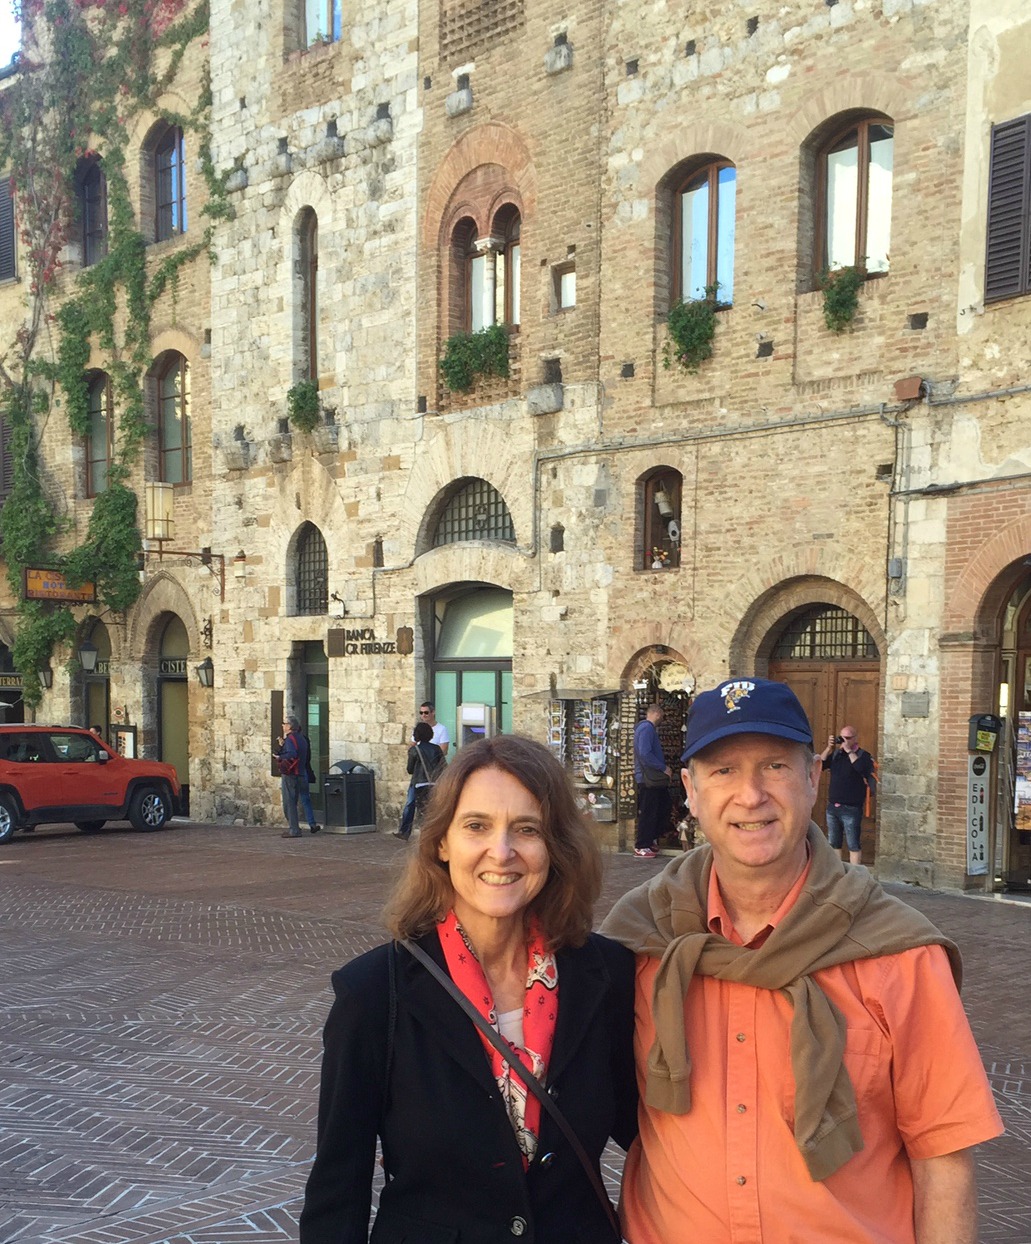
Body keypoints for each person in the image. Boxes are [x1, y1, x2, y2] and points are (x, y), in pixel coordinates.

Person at [603, 677, 1004, 1244]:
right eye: (723, 771)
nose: (750, 795)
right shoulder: (637, 940)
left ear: (813, 778)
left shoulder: (898, 952)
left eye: (774, 766)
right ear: (689, 790)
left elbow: (943, 1157)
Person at [299, 734, 637, 1243]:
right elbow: (337, 1189)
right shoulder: (374, 994)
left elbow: (651, 1135)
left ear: (556, 846)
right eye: (476, 826)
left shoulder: (605, 975)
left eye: (526, 829)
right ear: (441, 842)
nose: (501, 853)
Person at [819, 724, 874, 865]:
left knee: (853, 843)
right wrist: (828, 748)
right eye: (842, 737)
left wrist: (850, 751)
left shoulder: (863, 756)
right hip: (833, 807)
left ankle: (855, 875)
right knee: (834, 842)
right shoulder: (837, 755)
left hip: (851, 808)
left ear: (855, 738)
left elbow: (862, 769)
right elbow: (820, 765)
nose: (844, 741)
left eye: (848, 738)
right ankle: (837, 873)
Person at [396, 701, 451, 839]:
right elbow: (442, 763)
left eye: (426, 712)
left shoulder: (441, 730)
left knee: (414, 805)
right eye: (421, 713)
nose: (423, 715)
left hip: (419, 780)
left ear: (433, 712)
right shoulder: (434, 748)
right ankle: (432, 833)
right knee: (430, 807)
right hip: (433, 780)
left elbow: (410, 768)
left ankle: (410, 832)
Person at [632, 703, 670, 858]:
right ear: (657, 713)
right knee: (648, 811)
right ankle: (642, 845)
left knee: (662, 806)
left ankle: (650, 839)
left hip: (650, 778)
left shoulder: (646, 729)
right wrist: (662, 767)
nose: (662, 718)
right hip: (649, 778)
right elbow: (645, 753)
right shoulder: (647, 729)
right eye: (661, 715)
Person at [274, 715, 312, 839]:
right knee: (298, 801)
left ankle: (294, 829)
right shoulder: (302, 739)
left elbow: (292, 753)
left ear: (289, 726)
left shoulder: (290, 739)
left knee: (289, 803)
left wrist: (280, 757)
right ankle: (297, 827)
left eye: (284, 723)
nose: (283, 725)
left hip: (291, 774)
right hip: (301, 772)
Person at [298, 730, 322, 835]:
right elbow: (308, 757)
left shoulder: (291, 741)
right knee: (305, 798)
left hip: (295, 773)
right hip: (304, 771)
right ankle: (312, 823)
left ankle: (294, 826)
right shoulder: (305, 740)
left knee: (291, 800)